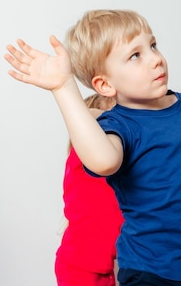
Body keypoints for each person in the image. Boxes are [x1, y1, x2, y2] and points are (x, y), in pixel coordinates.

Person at [5, 9, 181, 286]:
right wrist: (63, 88)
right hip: (150, 271)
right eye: (135, 55)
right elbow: (104, 161)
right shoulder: (117, 124)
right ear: (105, 84)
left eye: (153, 46)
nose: (155, 59)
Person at [55, 93, 124, 286]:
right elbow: (89, 116)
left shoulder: (114, 166)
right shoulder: (82, 155)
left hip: (102, 267)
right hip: (79, 267)